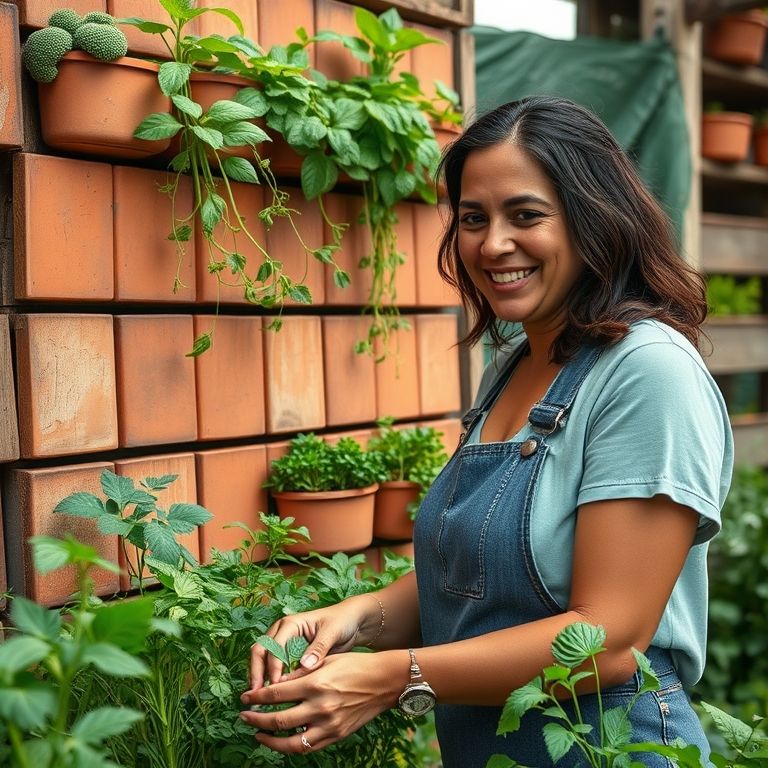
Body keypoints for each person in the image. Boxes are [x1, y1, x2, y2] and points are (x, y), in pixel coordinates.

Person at [240, 96, 734, 767]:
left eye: (525, 215)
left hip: (608, 747)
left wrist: (391, 679)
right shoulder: (512, 369)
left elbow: (609, 640)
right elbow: (484, 576)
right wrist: (362, 615)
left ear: (593, 218)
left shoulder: (647, 372)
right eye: (473, 218)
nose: (492, 243)